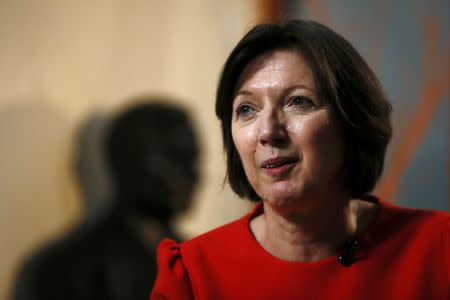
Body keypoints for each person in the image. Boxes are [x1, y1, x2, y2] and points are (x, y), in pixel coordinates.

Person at [151, 20, 449, 299]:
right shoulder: (192, 276)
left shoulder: (439, 249)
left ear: (352, 121)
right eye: (246, 109)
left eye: (298, 102)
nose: (268, 132)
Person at [13, 99, 199, 300]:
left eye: (193, 160)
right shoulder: (61, 270)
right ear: (127, 162)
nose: (192, 174)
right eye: (171, 160)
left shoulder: (198, 266)